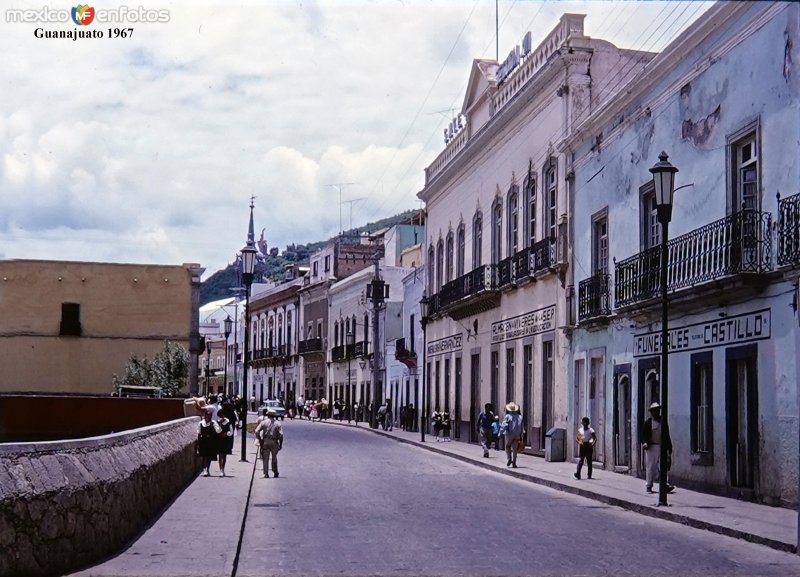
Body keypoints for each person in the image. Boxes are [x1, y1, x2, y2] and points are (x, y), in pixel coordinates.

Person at [641, 402, 674, 494]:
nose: (657, 412)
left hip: (661, 446)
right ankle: (649, 485)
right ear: (651, 412)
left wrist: (669, 446)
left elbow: (667, 435)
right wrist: (645, 443)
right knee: (651, 467)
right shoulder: (648, 423)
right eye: (655, 411)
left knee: (663, 466)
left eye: (658, 410)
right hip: (651, 447)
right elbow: (643, 435)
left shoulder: (663, 422)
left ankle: (665, 484)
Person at [255, 409, 284, 478]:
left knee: (265, 458)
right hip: (274, 442)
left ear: (268, 415)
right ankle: (275, 472)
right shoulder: (278, 423)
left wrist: (260, 439)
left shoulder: (264, 422)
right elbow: (281, 435)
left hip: (265, 441)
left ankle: (266, 473)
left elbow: (256, 431)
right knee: (274, 458)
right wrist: (280, 444)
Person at [197, 410, 221, 477]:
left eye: (209, 416)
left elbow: (218, 431)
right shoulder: (201, 423)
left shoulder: (213, 423)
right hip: (203, 441)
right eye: (207, 415)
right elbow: (199, 433)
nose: (208, 417)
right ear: (205, 416)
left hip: (210, 441)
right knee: (204, 456)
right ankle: (204, 469)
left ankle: (207, 469)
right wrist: (198, 444)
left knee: (209, 456)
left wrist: (220, 425)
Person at [500, 402, 523, 468]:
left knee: (507, 446)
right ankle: (514, 463)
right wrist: (521, 436)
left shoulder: (507, 416)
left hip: (509, 434)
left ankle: (509, 459)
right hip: (517, 435)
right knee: (515, 449)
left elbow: (504, 425)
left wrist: (500, 433)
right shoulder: (520, 417)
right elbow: (522, 428)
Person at [217, 411, 235, 477]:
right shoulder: (218, 422)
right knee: (220, 455)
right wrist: (220, 425)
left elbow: (231, 431)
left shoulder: (228, 422)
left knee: (224, 455)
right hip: (219, 440)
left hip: (225, 440)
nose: (222, 416)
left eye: (223, 415)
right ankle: (221, 470)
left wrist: (226, 434)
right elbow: (217, 431)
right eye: (220, 415)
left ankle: (223, 469)